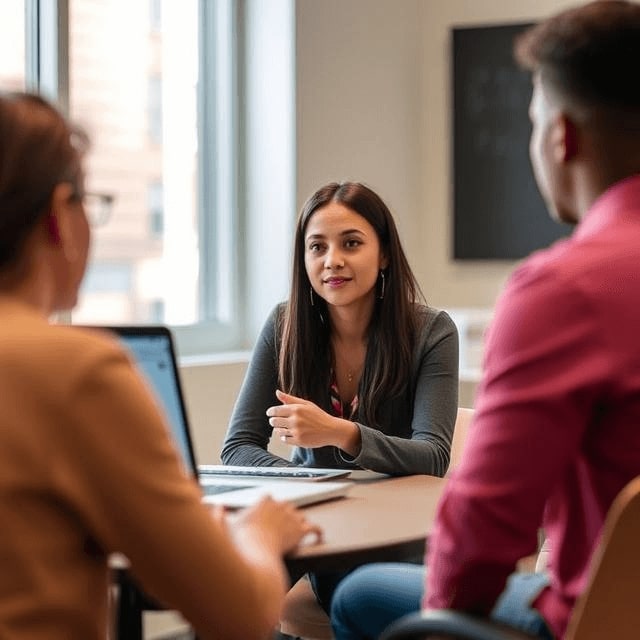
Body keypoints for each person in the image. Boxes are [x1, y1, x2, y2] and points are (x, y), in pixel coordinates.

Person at [329, 2, 640, 639]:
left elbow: (482, 532)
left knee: (359, 593)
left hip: (600, 619)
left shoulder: (564, 289)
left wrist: (444, 615)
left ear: (561, 137)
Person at [0, 91, 321, 640]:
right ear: (58, 214)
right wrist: (260, 534)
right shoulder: (76, 372)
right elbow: (238, 615)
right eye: (89, 202)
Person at [221, 181, 459, 478]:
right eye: (317, 247)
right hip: (316, 509)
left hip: (398, 510)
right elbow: (238, 446)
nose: (332, 261)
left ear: (384, 253)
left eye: (351, 243)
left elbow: (433, 457)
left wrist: (341, 433)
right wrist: (309, 480)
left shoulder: (433, 332)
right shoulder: (283, 325)